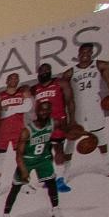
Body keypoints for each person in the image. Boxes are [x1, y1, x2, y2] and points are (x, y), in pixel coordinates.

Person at [0, 99, 66, 217]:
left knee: (51, 184)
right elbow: (19, 154)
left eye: (47, 109)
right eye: (41, 109)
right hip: (27, 160)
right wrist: (23, 169)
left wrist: (81, 133)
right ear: (36, 111)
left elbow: (68, 129)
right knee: (15, 188)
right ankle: (5, 216)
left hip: (43, 159)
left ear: (50, 111)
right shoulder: (27, 130)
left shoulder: (54, 123)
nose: (44, 112)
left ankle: (56, 209)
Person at [64, 40, 109, 175]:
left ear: (92, 53)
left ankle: (107, 164)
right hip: (77, 109)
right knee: (71, 139)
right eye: (83, 52)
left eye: (88, 52)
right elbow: (64, 95)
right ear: (78, 53)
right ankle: (65, 171)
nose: (85, 54)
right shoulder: (70, 72)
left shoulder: (100, 65)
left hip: (94, 105)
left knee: (99, 135)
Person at [32, 63, 73, 192]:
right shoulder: (35, 88)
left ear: (50, 71)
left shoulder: (60, 83)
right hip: (42, 123)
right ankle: (49, 177)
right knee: (43, 152)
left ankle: (60, 179)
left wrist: (72, 120)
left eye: (47, 70)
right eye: (41, 71)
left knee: (58, 149)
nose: (44, 72)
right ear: (38, 74)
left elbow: (70, 101)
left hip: (58, 121)